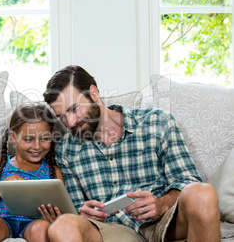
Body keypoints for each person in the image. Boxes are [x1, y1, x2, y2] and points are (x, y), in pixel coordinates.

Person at [42, 65, 221, 242]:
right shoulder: (66, 148)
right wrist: (83, 212)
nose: (71, 122)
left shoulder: (157, 122)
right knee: (62, 226)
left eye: (74, 108)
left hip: (164, 222)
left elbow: (188, 180)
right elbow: (76, 209)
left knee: (202, 193)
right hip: (113, 231)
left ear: (94, 94)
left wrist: (161, 204)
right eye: (62, 117)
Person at [0, 103, 64, 242]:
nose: (37, 146)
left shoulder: (53, 171)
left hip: (34, 223)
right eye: (28, 139)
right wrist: (5, 184)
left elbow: (60, 209)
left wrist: (54, 217)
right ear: (14, 137)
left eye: (44, 139)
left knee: (43, 229)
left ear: (51, 136)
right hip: (0, 219)